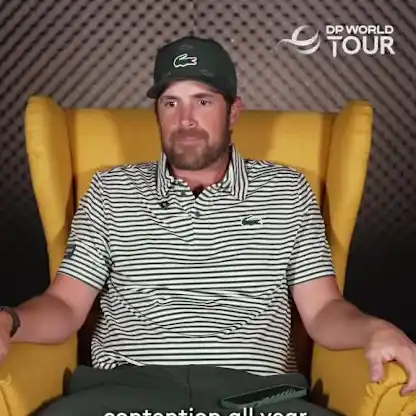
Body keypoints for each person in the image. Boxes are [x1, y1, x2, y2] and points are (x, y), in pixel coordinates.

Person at [0, 35, 415, 416]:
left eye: (203, 101)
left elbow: (323, 310)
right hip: (127, 392)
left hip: (257, 397)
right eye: (171, 103)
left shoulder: (287, 190)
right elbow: (66, 305)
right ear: (157, 113)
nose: (186, 119)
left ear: (233, 112)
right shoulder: (111, 189)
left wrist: (373, 329)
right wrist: (10, 320)